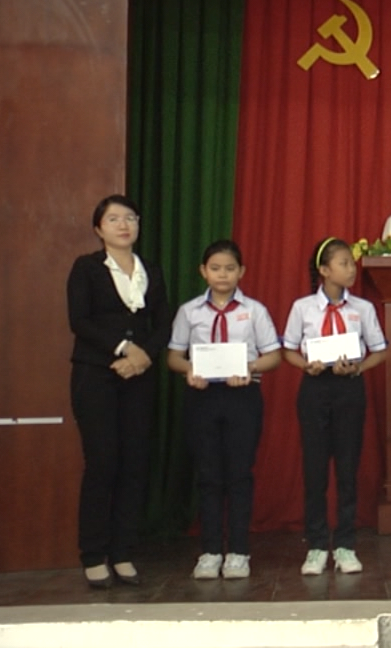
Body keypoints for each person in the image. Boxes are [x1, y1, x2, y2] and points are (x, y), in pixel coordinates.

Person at [66, 194, 171, 588]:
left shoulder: (151, 270)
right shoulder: (87, 268)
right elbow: (80, 321)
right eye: (114, 219)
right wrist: (126, 349)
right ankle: (93, 554)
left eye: (130, 218)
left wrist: (144, 356)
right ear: (99, 228)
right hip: (96, 375)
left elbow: (164, 322)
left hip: (139, 376)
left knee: (134, 463)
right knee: (103, 462)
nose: (124, 225)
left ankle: (123, 551)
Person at [167, 240, 282, 580]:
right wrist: (189, 369)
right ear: (203, 271)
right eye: (215, 268)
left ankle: (239, 551)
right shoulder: (189, 311)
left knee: (239, 473)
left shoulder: (255, 310)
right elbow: (174, 356)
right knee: (208, 474)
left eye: (230, 269)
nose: (222, 275)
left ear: (241, 272)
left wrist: (250, 367)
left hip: (242, 396)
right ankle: (210, 551)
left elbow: (273, 356)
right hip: (202, 396)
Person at [282, 237, 390, 576]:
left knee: (347, 468)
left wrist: (358, 368)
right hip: (315, 388)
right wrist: (306, 366)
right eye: (343, 263)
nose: (351, 269)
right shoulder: (303, 307)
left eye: (351, 263)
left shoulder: (363, 309)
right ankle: (316, 545)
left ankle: (345, 544)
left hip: (349, 388)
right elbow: (288, 349)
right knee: (315, 470)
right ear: (324, 270)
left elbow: (380, 350)